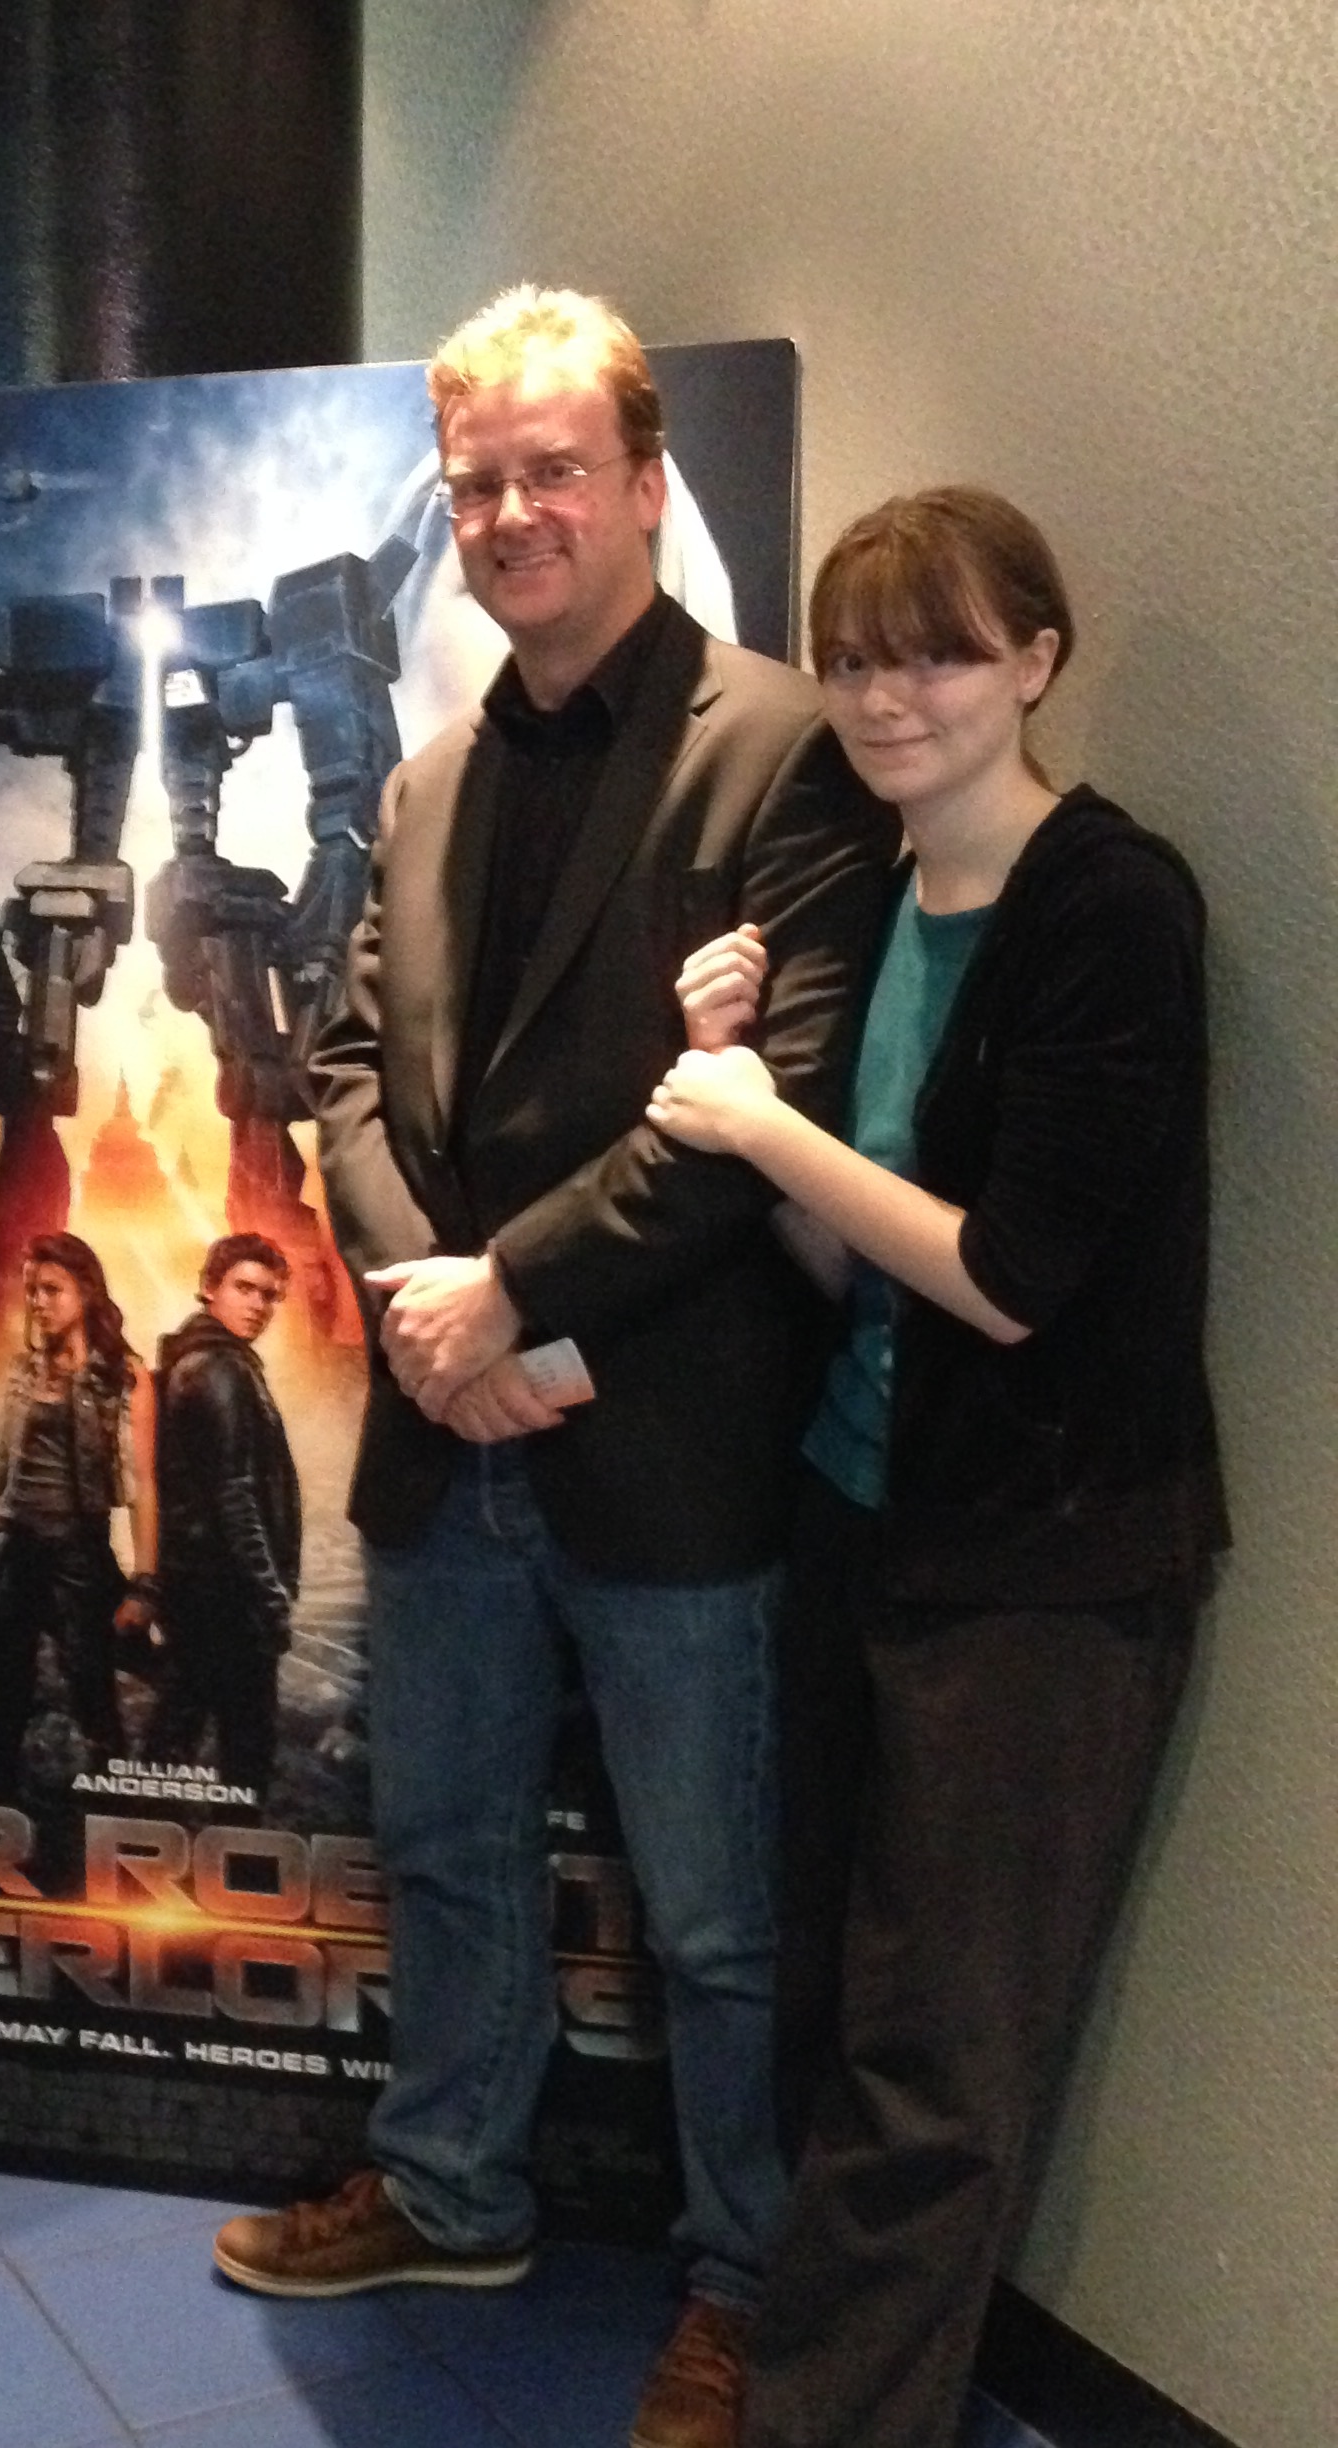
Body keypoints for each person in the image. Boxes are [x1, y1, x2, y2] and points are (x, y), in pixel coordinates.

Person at [209, 284, 897, 2448]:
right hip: (454, 1433)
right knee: (444, 1853)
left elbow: (765, 1106)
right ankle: (450, 2192)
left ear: (646, 484)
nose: (510, 515)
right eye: (476, 482)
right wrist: (438, 1308)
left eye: (552, 473)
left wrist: (511, 1295)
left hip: (667, 1438)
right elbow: (344, 1065)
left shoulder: (781, 749)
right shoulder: (426, 780)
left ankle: (747, 2284)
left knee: (717, 1920)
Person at [646, 488, 1224, 2448]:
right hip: (859, 1513)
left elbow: (1006, 1279)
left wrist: (762, 1127)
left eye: (941, 654)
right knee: (827, 1998)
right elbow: (848, 1263)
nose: (890, 698)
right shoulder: (880, 906)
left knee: (935, 2060)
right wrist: (745, 1097)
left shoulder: (1111, 906)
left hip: (1042, 1563)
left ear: (1036, 661)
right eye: (857, 660)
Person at [0, 1231, 158, 1791]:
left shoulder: (122, 1376)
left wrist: (146, 1585)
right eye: (31, 1290)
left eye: (52, 1289)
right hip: (17, 1550)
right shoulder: (26, 1370)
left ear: (86, 1291)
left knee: (91, 1687)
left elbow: (144, 1485)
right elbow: (14, 1476)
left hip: (78, 1556)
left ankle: (110, 1798)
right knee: (5, 1685)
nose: (38, 1302)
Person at [143, 1232, 301, 1795]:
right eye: (244, 1288)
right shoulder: (220, 1369)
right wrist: (270, 1593)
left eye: (269, 1295)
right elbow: (235, 1494)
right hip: (226, 1592)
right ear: (210, 1288)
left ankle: (143, 1822)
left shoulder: (198, 1359)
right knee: (247, 1739)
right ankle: (235, 1840)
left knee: (180, 1716)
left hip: (198, 1581)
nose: (258, 1305)